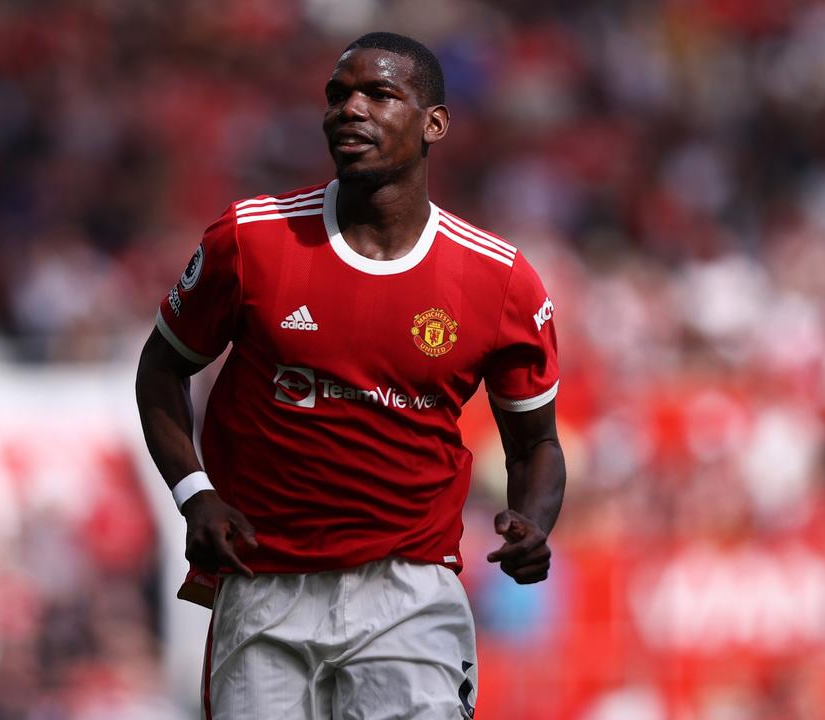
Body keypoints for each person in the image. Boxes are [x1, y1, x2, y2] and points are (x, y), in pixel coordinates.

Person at [135, 31, 565, 720]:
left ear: (434, 123)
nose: (350, 109)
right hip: (263, 582)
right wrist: (195, 494)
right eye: (338, 95)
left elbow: (535, 443)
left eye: (378, 93)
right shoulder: (251, 240)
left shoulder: (499, 280)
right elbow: (161, 370)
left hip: (410, 591)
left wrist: (534, 521)